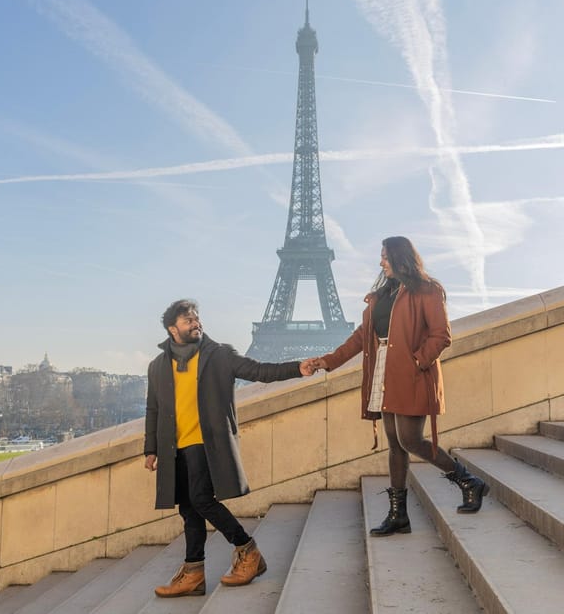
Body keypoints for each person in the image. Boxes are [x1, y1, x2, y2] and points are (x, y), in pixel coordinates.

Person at [309, 236, 488, 536]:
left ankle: (468, 481)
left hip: (411, 373)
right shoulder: (384, 294)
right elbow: (360, 337)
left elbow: (441, 335)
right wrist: (328, 361)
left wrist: (416, 362)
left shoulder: (428, 290)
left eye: (385, 257)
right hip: (384, 368)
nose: (381, 262)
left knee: (410, 440)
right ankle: (398, 515)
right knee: (395, 444)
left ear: (400, 258)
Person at [144, 299, 316, 598]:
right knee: (188, 509)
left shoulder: (219, 354)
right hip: (174, 447)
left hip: (205, 442)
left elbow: (259, 370)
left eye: (197, 318)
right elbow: (153, 409)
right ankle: (194, 573)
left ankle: (248, 550)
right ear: (173, 329)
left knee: (201, 499)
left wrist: (296, 368)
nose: (196, 323)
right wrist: (151, 449)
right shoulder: (158, 366)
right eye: (188, 321)